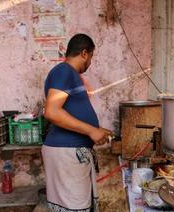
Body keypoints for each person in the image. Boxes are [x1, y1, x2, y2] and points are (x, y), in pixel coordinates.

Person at [42, 33, 111, 212]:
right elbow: (52, 111)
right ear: (84, 53)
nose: (90, 62)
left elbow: (71, 112)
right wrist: (90, 131)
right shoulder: (64, 71)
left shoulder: (70, 75)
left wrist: (97, 130)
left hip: (71, 152)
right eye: (92, 57)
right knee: (74, 208)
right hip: (66, 153)